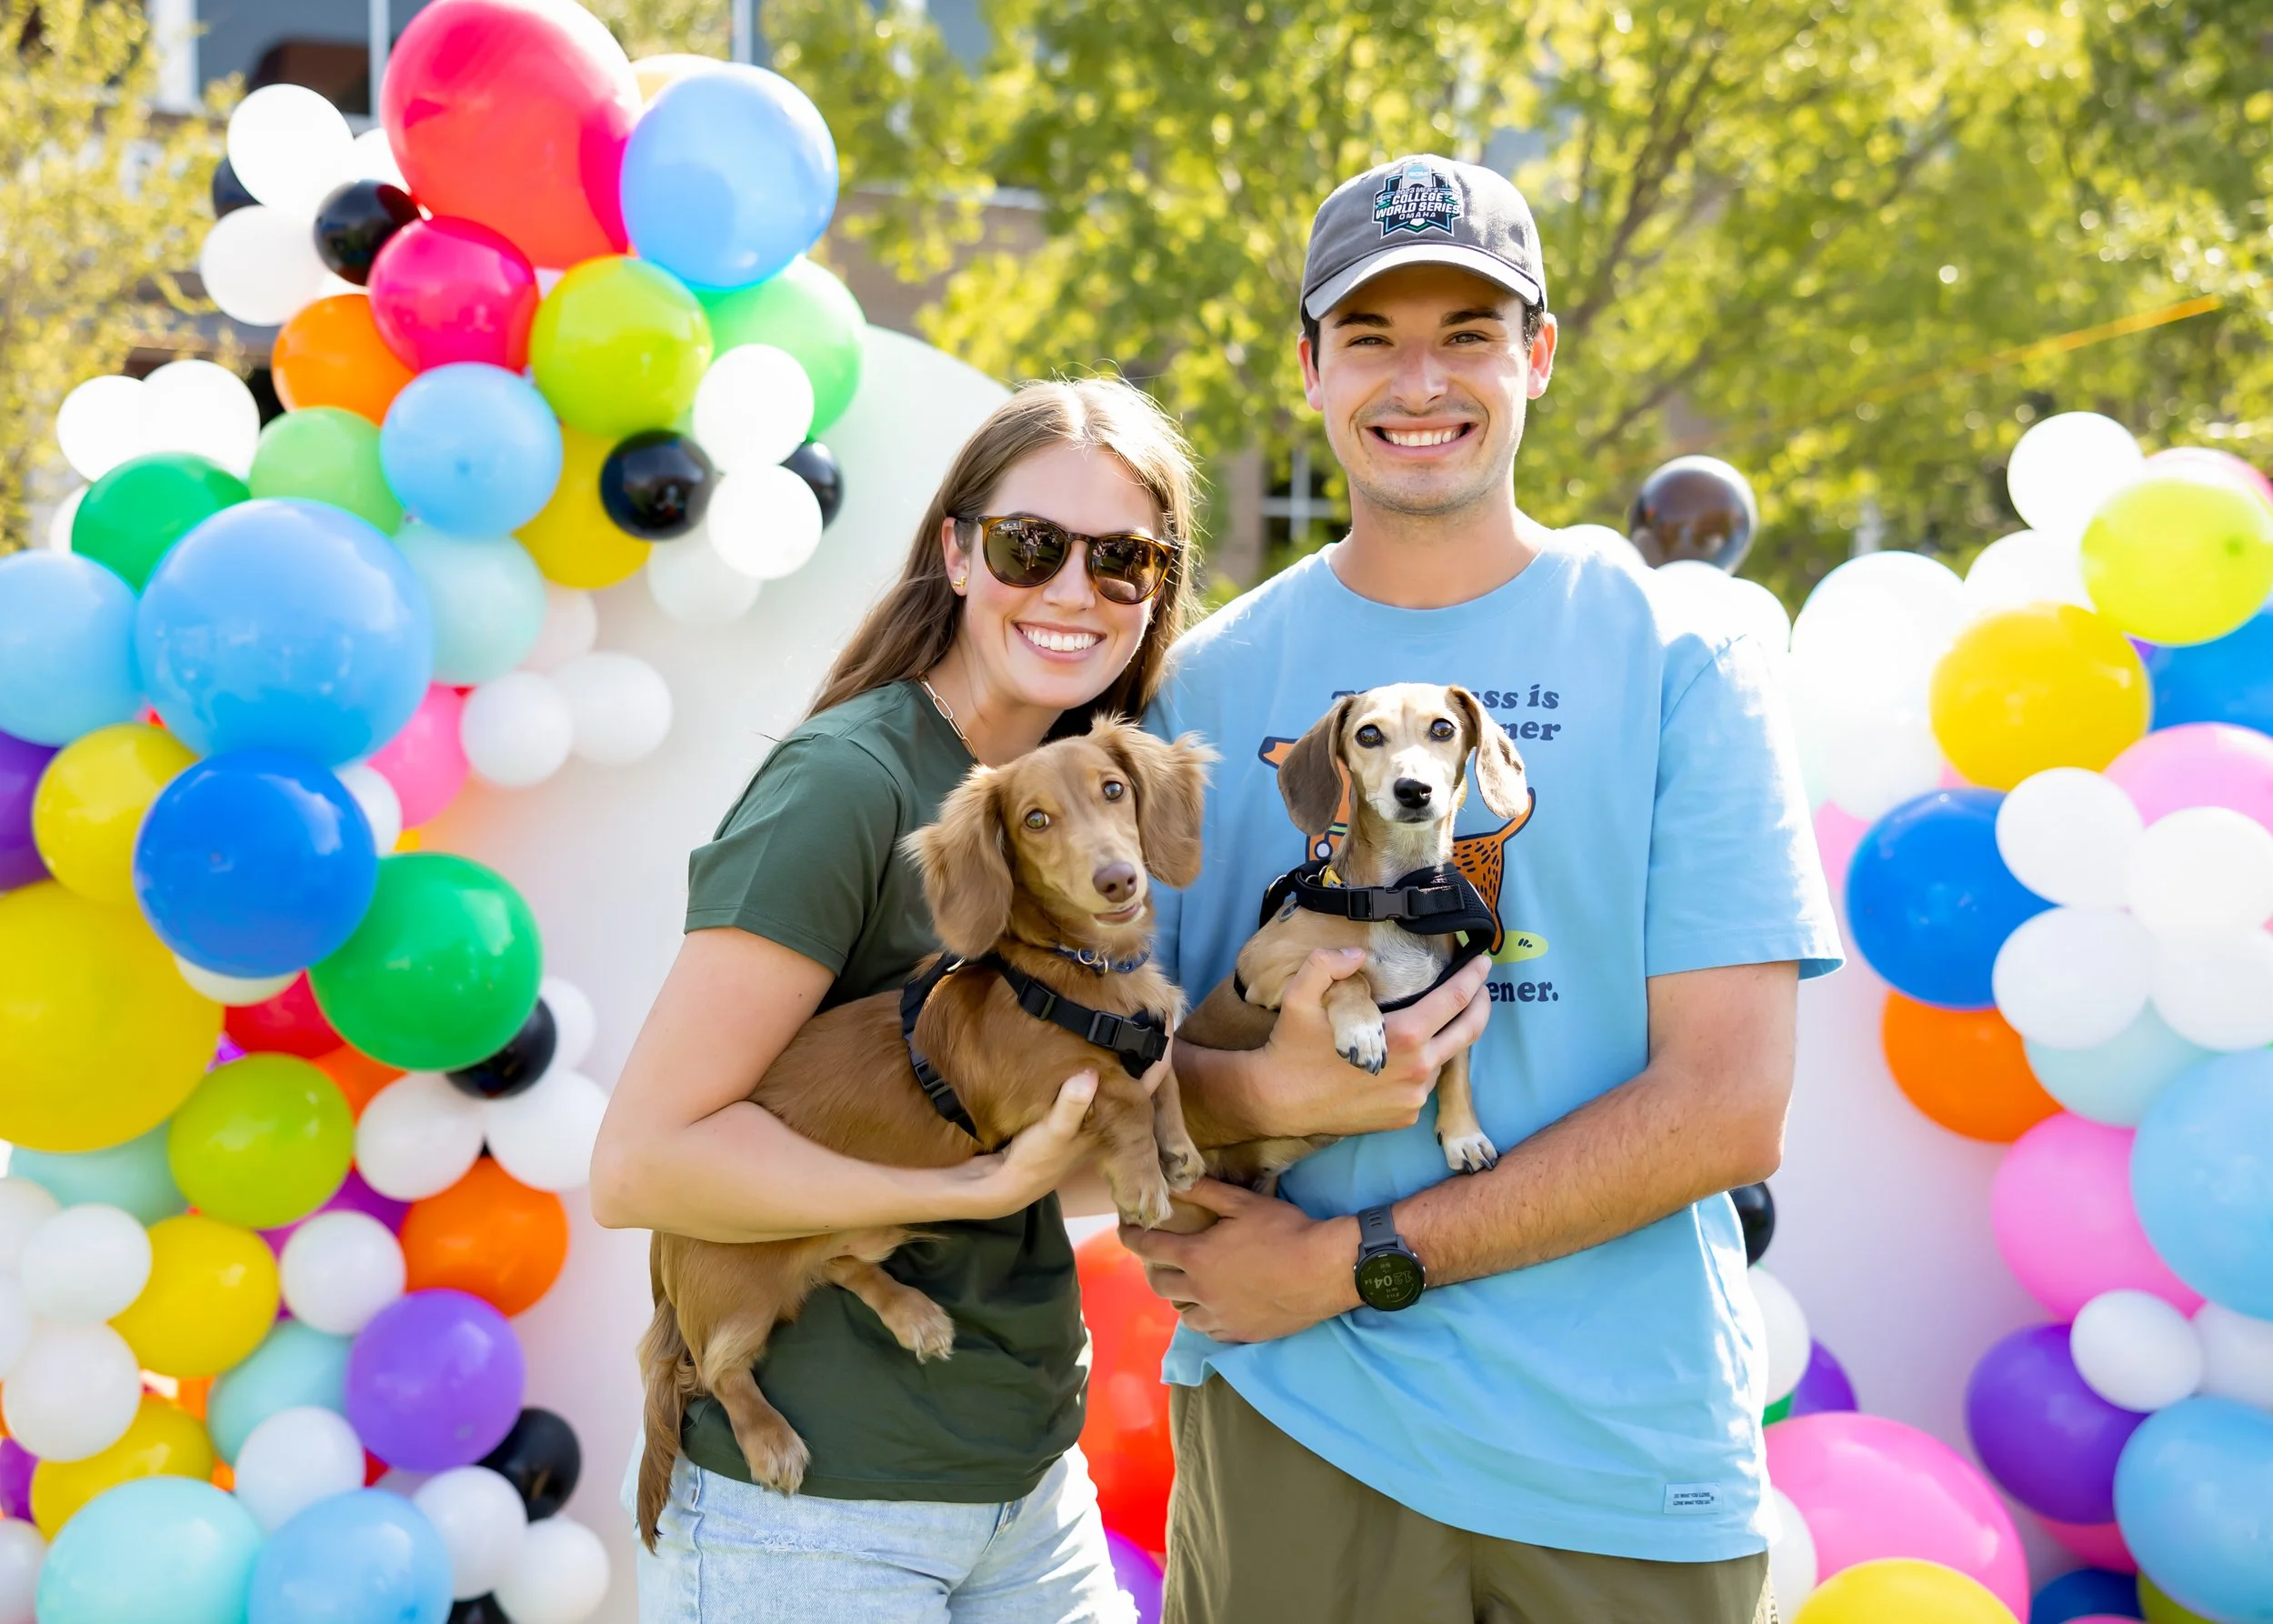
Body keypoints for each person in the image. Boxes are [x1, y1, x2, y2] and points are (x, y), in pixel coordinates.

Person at [1123, 155, 1841, 1624]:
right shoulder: (1200, 685)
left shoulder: (1680, 651)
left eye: (1467, 330)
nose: (1420, 379)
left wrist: (1355, 1260)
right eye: (1373, 335)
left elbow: (1728, 1104)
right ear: (1310, 368)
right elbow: (1123, 1081)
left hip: (1619, 1454)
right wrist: (1261, 1101)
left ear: (1540, 356)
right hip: (1297, 1432)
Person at [591, 376, 1200, 1624]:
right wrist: (951, 1195)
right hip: (814, 1523)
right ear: (960, 551)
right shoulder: (850, 784)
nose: (1077, 590)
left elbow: (1037, 1155)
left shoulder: (1095, 801)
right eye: (1035, 546)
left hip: (1025, 1488)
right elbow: (644, 1163)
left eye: (1125, 559)